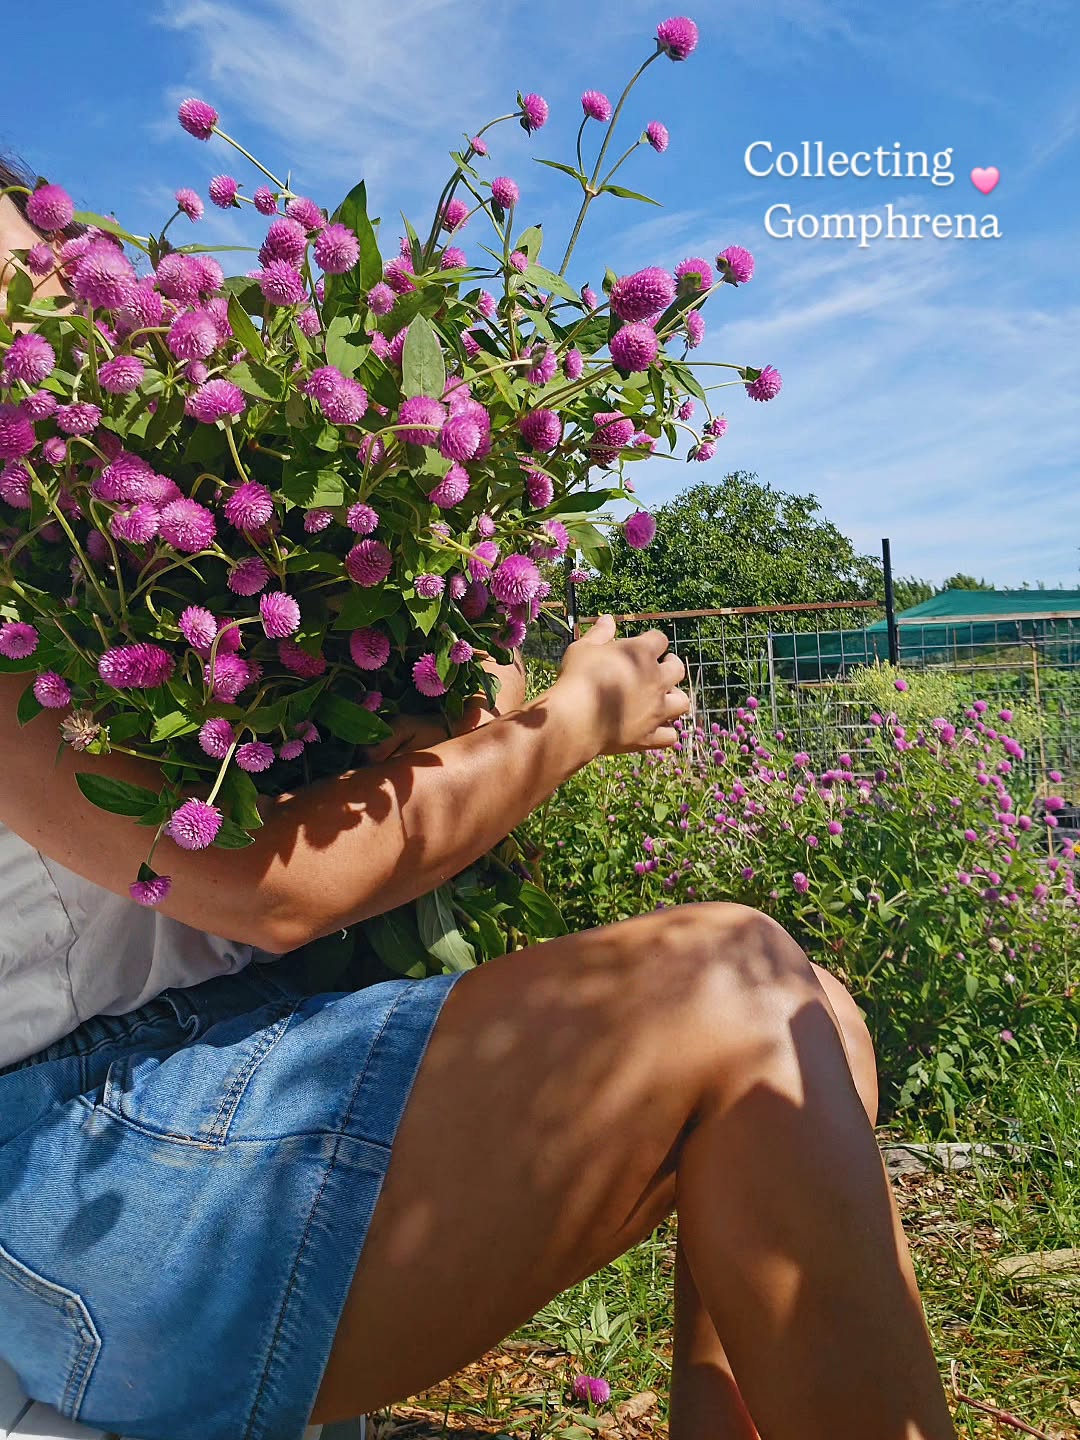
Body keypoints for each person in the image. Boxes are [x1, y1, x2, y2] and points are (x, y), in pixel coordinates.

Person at [0, 172, 956, 1440]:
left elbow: (343, 804)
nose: (47, 301)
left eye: (57, 265)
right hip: (77, 1169)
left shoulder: (128, 567)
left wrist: (460, 650)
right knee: (734, 987)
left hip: (223, 1056)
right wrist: (571, 725)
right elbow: (269, 889)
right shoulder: (32, 628)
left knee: (814, 1020)